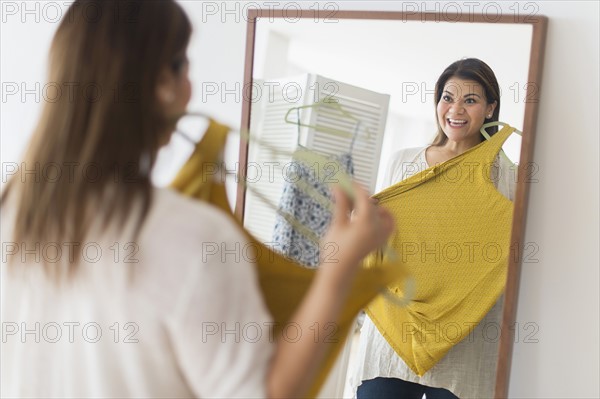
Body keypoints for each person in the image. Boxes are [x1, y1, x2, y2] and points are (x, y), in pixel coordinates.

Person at [0, 1, 395, 398]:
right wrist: (337, 272)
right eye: (183, 63)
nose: (191, 84)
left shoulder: (9, 212)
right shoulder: (196, 238)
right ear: (163, 84)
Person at [352, 58, 516, 399]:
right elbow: (375, 240)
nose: (455, 109)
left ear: (490, 108)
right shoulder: (403, 161)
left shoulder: (507, 177)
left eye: (470, 100)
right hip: (394, 332)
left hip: (464, 338)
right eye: (447, 97)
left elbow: (510, 253)